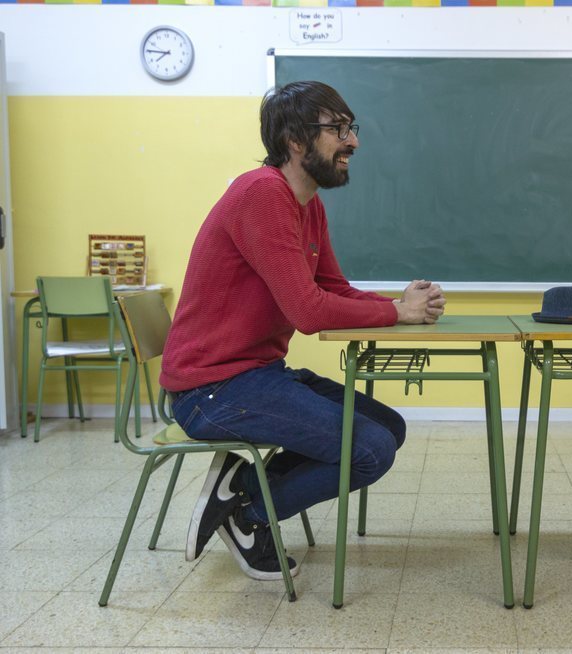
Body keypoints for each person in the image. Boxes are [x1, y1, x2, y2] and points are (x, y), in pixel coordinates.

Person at [160, 81, 446, 580]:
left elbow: (333, 287)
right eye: (337, 129)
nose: (352, 141)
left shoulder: (306, 203)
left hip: (257, 374)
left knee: (390, 429)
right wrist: (398, 314)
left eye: (350, 127)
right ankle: (247, 515)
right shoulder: (262, 195)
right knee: (370, 450)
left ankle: (240, 486)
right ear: (295, 140)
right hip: (211, 389)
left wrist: (399, 305)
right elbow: (310, 312)